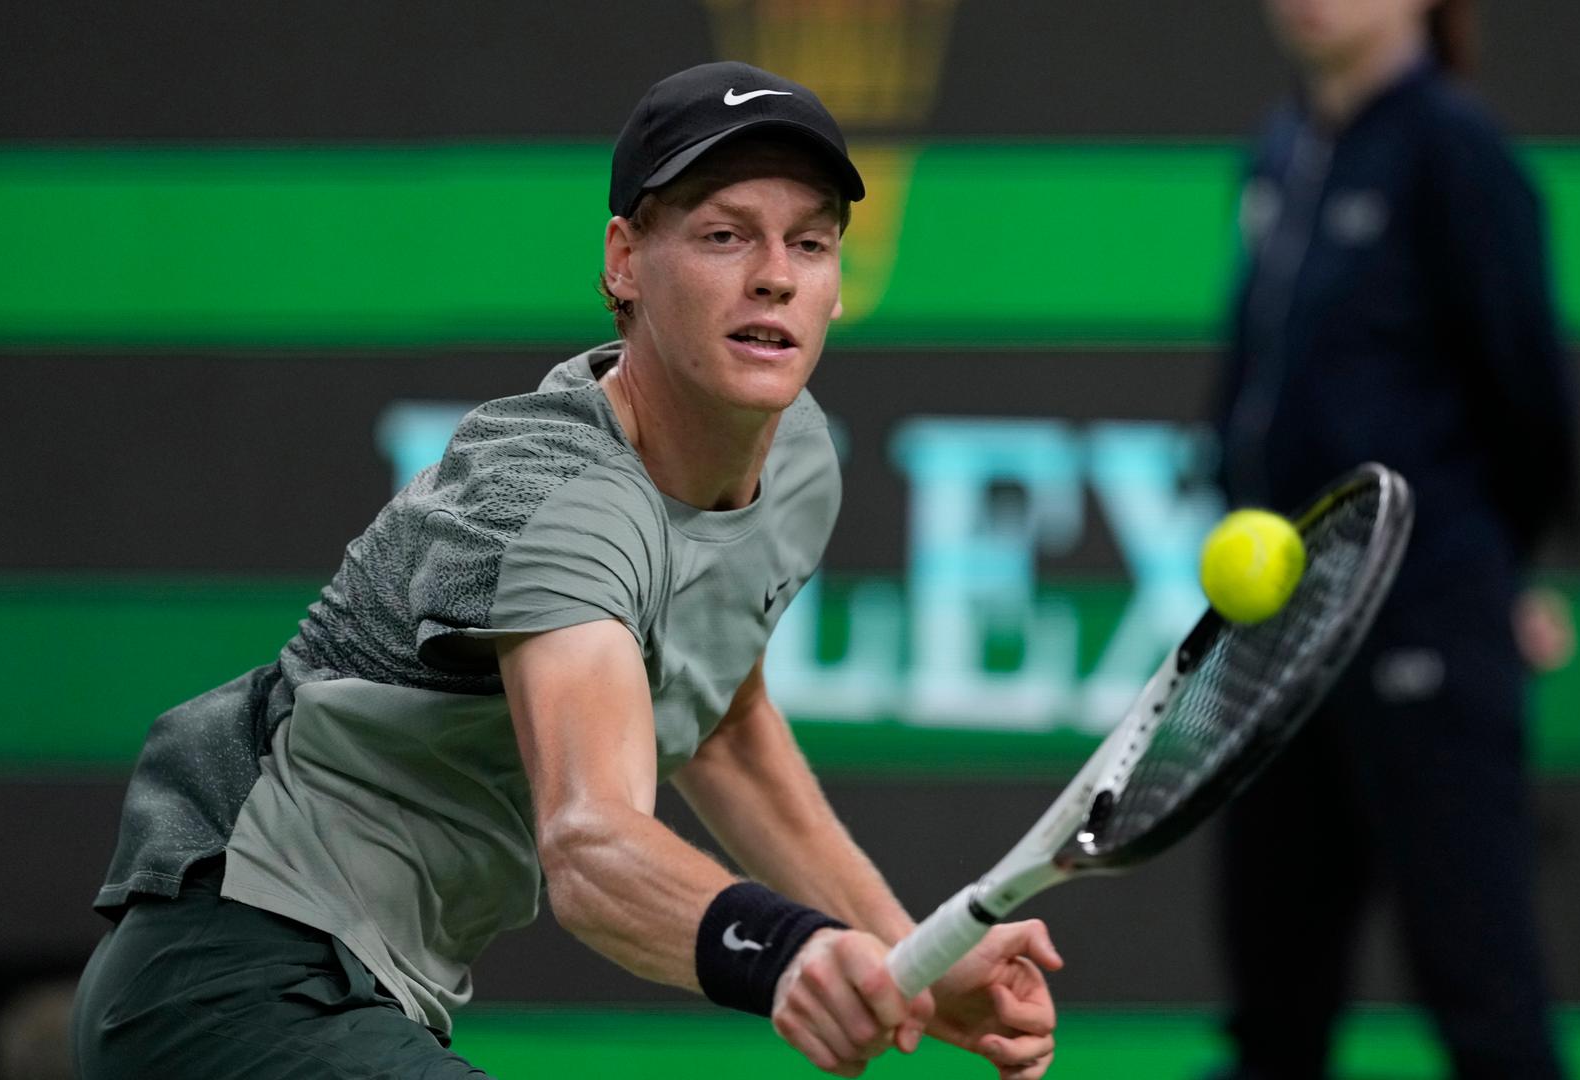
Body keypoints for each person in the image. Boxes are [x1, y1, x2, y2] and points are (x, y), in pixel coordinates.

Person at [71, 61, 1061, 1080]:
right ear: (625, 262)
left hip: (363, 1003)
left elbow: (718, 723)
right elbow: (590, 844)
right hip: (228, 978)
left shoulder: (795, 459)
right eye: (725, 234)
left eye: (807, 242)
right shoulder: (560, 502)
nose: (774, 273)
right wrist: (784, 949)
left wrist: (913, 957)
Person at [1206, 2, 1578, 1078]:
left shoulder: (1460, 156)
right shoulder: (1275, 154)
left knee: (1485, 1003)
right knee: (1272, 1022)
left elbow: (1531, 402)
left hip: (1427, 635)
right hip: (1275, 647)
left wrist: (1493, 574)